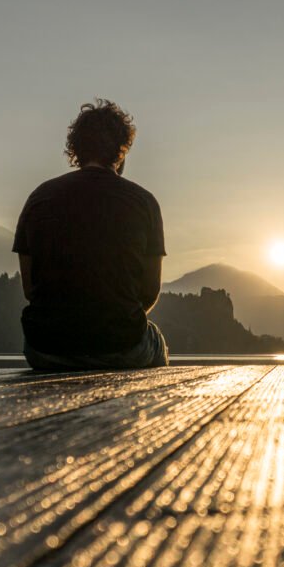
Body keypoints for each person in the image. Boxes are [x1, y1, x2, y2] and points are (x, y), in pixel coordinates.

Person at [12, 99, 168, 370]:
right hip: (122, 347)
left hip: (46, 348)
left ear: (76, 149)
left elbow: (31, 289)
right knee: (157, 342)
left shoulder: (38, 198)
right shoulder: (144, 202)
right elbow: (150, 290)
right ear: (122, 149)